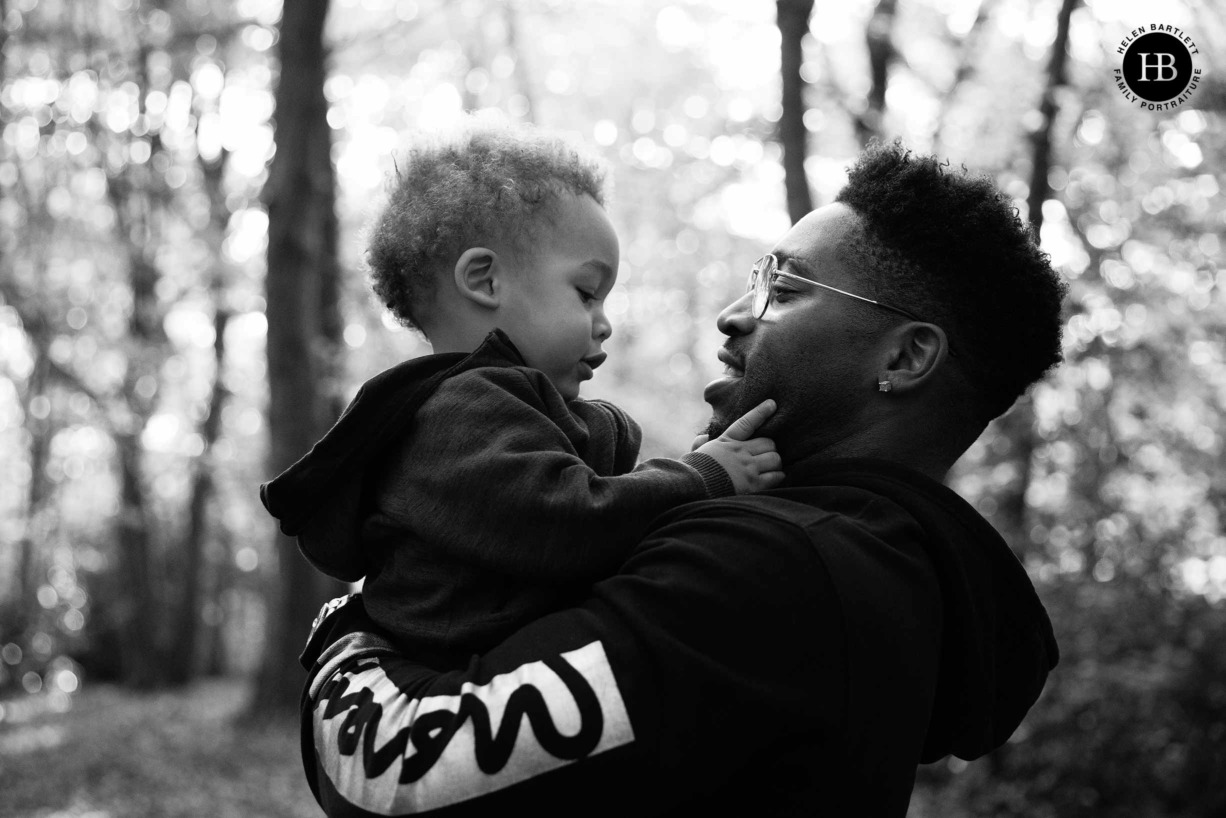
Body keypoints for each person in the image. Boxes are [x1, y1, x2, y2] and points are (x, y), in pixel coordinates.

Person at [295, 142, 1067, 817]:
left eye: (785, 291)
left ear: (903, 359)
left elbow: (392, 776)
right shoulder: (885, 565)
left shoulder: (769, 572)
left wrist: (347, 633)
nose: (734, 313)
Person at [260, 117, 783, 668]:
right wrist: (704, 476)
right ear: (485, 281)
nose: (604, 324)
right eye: (586, 294)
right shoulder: (459, 412)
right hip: (460, 689)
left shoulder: (491, 406)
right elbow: (571, 522)